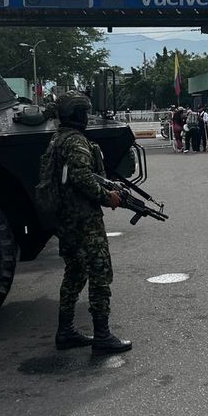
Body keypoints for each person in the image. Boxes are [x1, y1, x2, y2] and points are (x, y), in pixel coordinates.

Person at [38, 91, 131, 356]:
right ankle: (102, 335)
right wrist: (108, 197)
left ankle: (65, 331)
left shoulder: (58, 140)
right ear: (77, 114)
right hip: (84, 220)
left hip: (66, 219)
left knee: (75, 272)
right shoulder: (77, 142)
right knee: (100, 273)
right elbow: (81, 177)